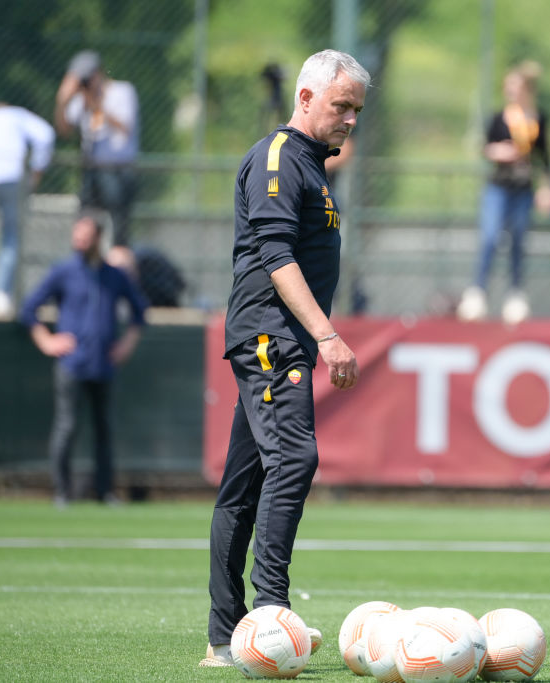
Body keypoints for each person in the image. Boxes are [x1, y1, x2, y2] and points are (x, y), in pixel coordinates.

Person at [200, 49, 368, 669]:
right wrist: (327, 337)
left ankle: (224, 639)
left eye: (356, 109)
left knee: (244, 484)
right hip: (273, 336)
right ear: (305, 97)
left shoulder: (311, 166)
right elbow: (276, 256)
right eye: (341, 105)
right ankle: (270, 616)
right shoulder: (278, 157)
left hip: (280, 336)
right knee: (294, 457)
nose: (350, 118)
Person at [18, 213, 148, 507]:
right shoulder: (63, 271)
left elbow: (140, 312)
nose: (80, 240)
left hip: (103, 364)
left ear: (98, 238)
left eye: (86, 235)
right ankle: (61, 491)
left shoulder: (114, 275)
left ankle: (105, 491)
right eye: (77, 235)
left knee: (105, 429)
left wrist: (126, 344)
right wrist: (46, 340)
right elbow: (28, 310)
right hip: (71, 364)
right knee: (66, 427)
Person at [457, 60, 550, 325]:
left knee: (518, 240)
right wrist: (498, 151)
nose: (511, 92)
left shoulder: (537, 119)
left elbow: (544, 156)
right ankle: (478, 291)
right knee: (490, 237)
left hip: (523, 189)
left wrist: (547, 188)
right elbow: (486, 147)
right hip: (498, 186)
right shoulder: (500, 118)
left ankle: (516, 294)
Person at [0, 101, 55, 316]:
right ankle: (1, 295)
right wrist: (36, 173)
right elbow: (46, 135)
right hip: (12, 177)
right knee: (11, 236)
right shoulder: (16, 115)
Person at [54, 50, 139, 246]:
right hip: (91, 170)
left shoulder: (121, 91)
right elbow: (64, 130)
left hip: (117, 168)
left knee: (118, 226)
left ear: (99, 73)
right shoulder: (82, 100)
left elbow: (125, 127)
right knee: (86, 222)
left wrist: (96, 105)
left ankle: (118, 262)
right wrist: (62, 101)